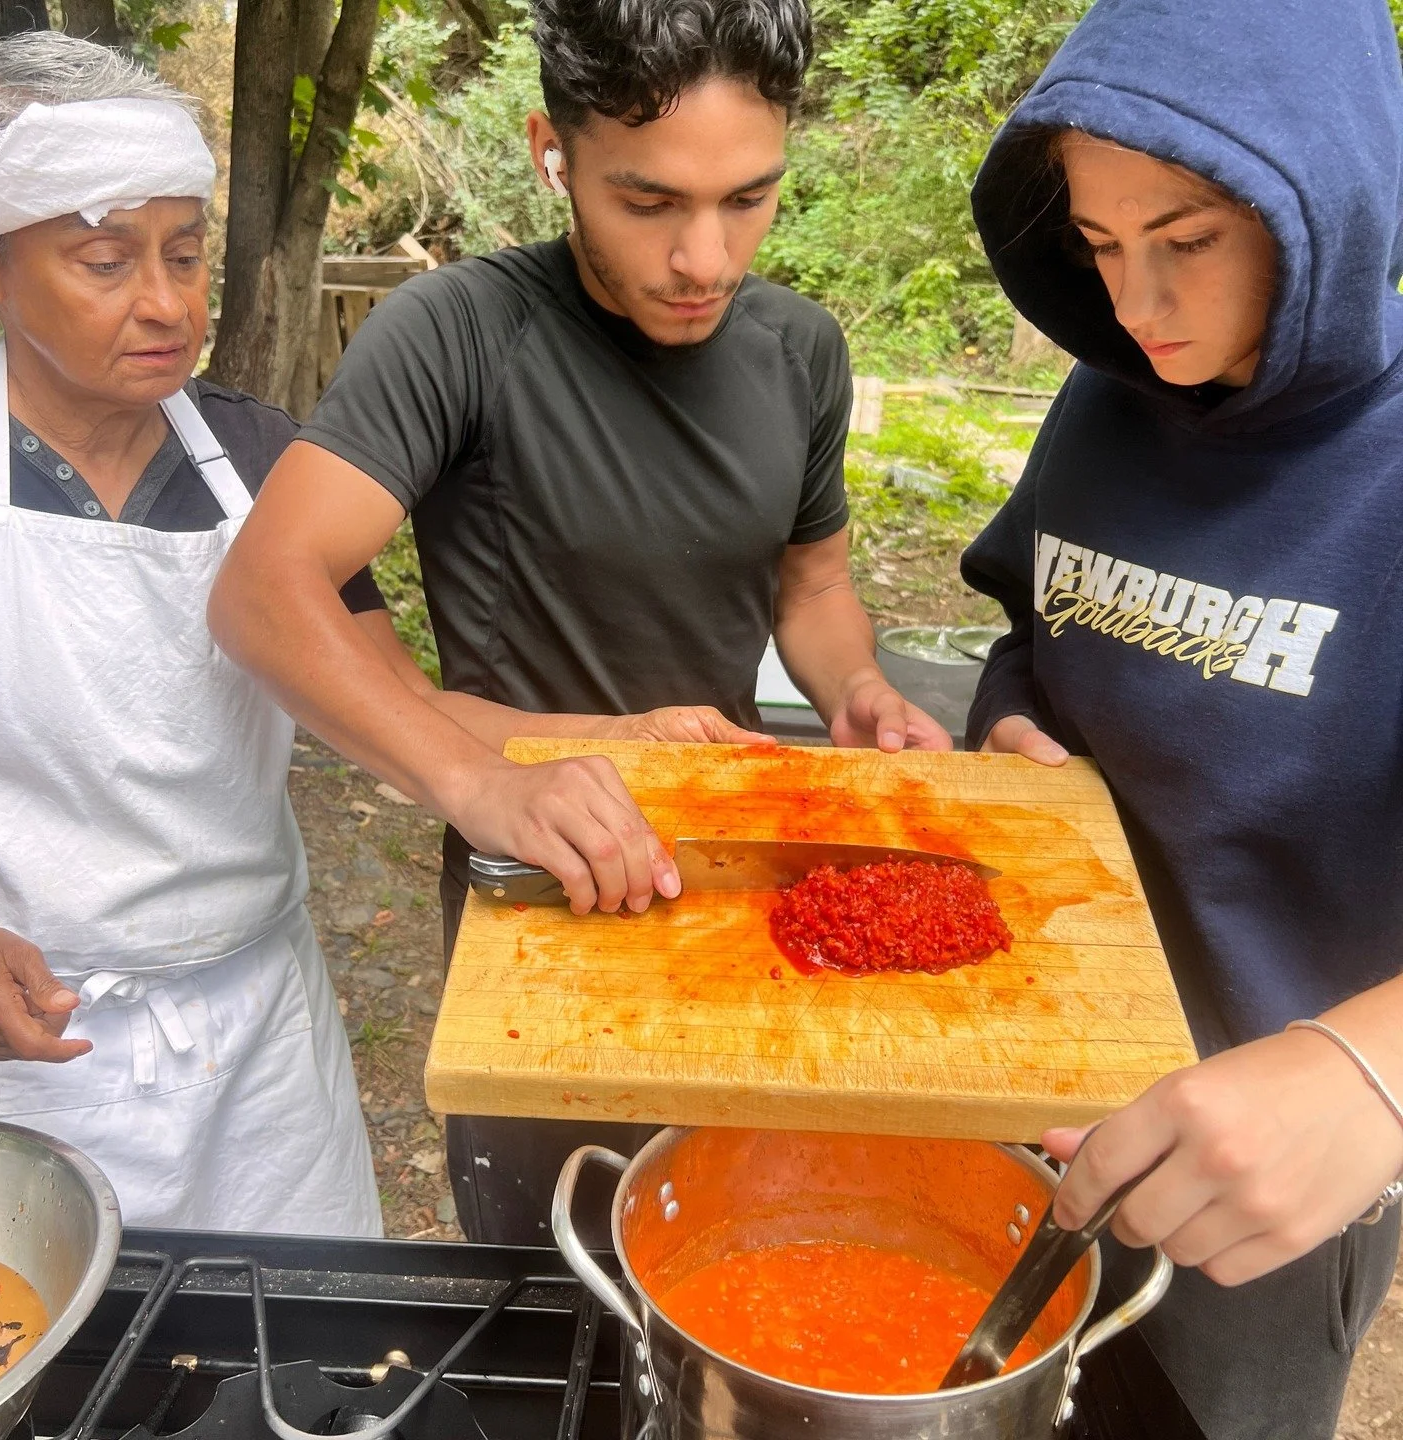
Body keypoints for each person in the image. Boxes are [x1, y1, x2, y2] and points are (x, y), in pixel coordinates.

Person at [0, 33, 742, 1233]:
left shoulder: (256, 462)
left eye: (184, 252)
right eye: (106, 262)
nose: (168, 302)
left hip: (260, 1042)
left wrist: (607, 738)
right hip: (25, 1055)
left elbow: (388, 700)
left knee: (307, 1382)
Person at [208, 0, 948, 1243]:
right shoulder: (458, 333)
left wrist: (857, 692)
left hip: (732, 866)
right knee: (555, 1264)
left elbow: (811, 588)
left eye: (747, 200)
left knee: (734, 1231)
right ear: (557, 152)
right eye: (648, 204)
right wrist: (478, 784)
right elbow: (263, 592)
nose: (704, 260)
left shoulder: (799, 349)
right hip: (537, 877)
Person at [961, 0, 1403, 1433]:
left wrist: (1372, 1074)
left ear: (1326, 194)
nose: (1139, 308)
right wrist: (1013, 725)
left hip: (1262, 1192)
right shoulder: (1106, 404)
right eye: (1098, 245)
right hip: (1026, 1097)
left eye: (1189, 237)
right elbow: (1037, 632)